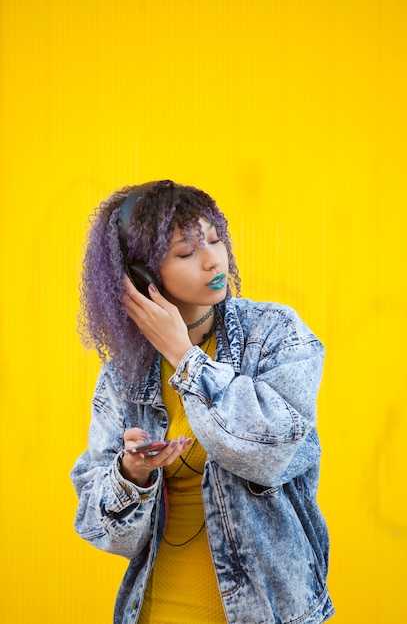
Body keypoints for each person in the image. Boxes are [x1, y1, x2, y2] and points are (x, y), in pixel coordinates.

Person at [71, 180, 335, 624]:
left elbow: (274, 452)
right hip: (158, 608)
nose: (214, 259)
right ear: (143, 277)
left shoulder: (272, 333)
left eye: (215, 239)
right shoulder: (122, 375)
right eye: (186, 251)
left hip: (268, 613)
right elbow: (102, 531)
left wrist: (184, 357)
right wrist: (131, 475)